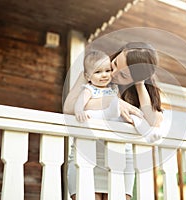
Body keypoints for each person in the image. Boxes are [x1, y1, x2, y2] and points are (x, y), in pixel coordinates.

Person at [63, 42, 163, 200]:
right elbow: (69, 107)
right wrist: (111, 101)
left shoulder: (139, 88)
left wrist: (140, 84)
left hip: (121, 163)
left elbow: (153, 122)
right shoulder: (95, 70)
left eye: (123, 75)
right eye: (115, 63)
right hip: (86, 157)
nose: (113, 73)